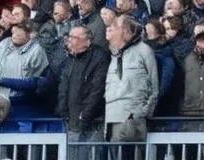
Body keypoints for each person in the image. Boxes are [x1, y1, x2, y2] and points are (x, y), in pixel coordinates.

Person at [104, 15, 158, 158]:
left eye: (115, 27)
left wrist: (143, 113)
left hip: (133, 120)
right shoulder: (114, 56)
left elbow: (154, 87)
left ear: (127, 33)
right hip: (111, 120)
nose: (110, 30)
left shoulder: (144, 51)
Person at [57, 25, 110, 156]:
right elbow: (63, 87)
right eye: (69, 37)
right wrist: (62, 110)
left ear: (87, 41)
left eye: (74, 37)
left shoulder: (99, 57)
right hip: (71, 121)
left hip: (92, 123)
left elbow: (97, 89)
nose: (69, 40)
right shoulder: (70, 59)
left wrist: (85, 114)